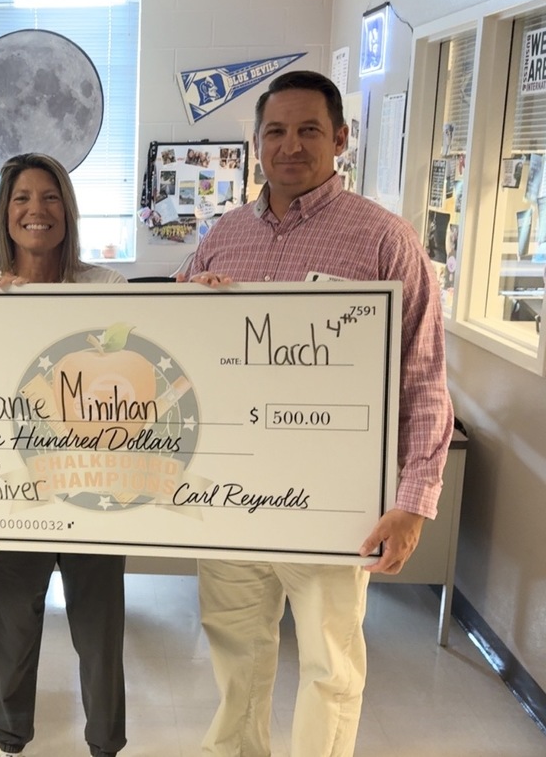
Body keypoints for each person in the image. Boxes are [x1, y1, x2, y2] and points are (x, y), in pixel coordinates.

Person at [183, 70, 453, 757]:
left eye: (308, 130)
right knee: (235, 660)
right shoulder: (223, 237)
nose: (291, 145)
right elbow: (179, 353)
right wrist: (191, 303)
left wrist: (414, 500)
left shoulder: (385, 242)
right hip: (232, 501)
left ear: (339, 137)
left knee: (331, 668)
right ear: (257, 143)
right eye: (276, 131)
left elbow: (423, 380)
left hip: (336, 506)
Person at [0, 152, 128, 757]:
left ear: (68, 208)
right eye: (21, 199)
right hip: (15, 496)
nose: (36, 210)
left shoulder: (106, 288)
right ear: (4, 214)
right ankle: (9, 742)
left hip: (95, 487)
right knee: (9, 636)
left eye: (50, 197)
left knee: (100, 635)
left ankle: (106, 745)